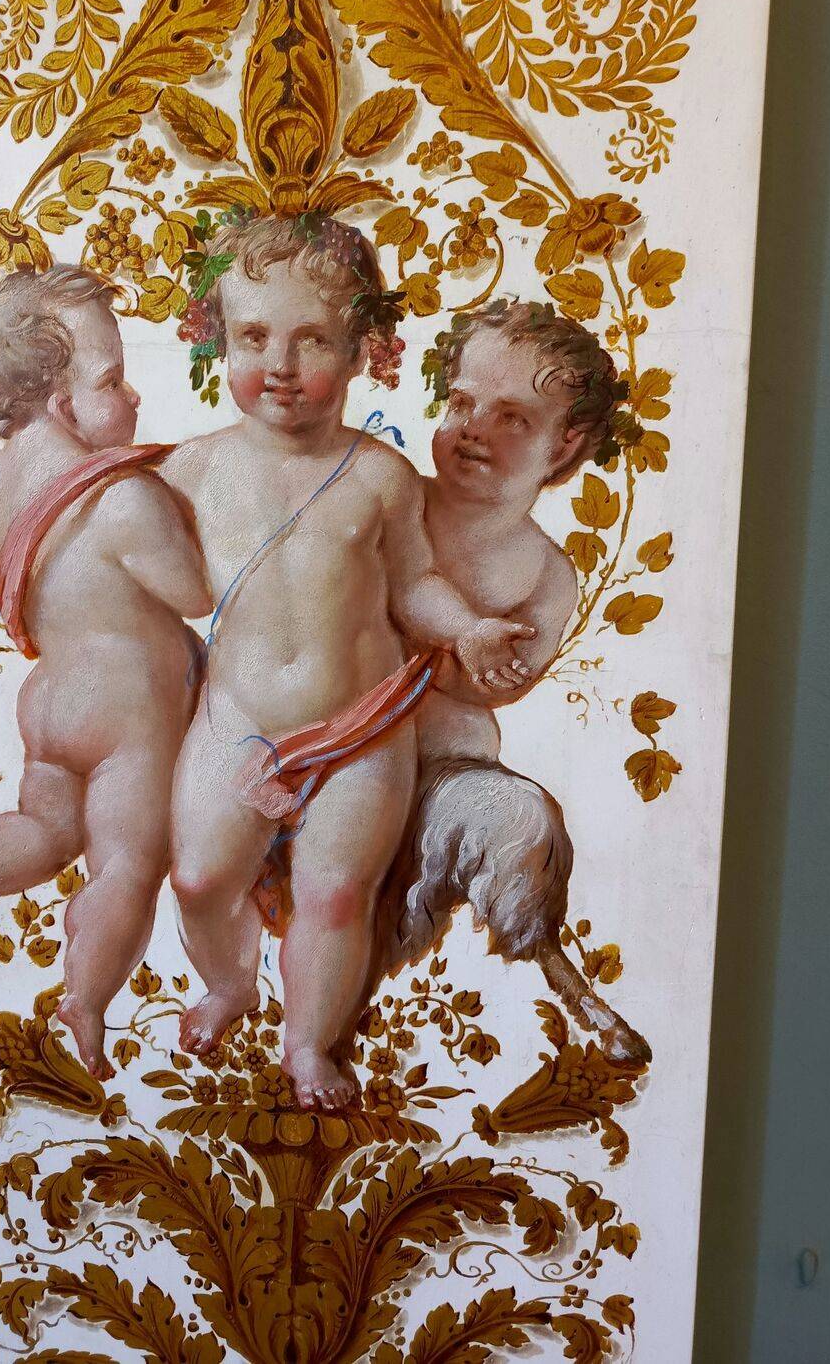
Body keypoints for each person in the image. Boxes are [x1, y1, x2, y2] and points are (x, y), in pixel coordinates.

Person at [159, 215, 532, 1110]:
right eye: (253, 336)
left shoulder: (378, 475)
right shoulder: (190, 471)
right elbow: (146, 578)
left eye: (312, 340)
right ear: (218, 340)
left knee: (335, 894)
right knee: (199, 877)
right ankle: (229, 984)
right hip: (237, 720)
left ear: (363, 350)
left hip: (361, 726)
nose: (280, 365)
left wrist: (467, 630)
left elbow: (414, 584)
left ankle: (307, 1045)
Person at [0, 264, 211, 1078]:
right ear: (61, 405)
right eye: (113, 381)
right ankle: (85, 995)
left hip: (48, 702)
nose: (134, 396)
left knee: (47, 827)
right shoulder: (123, 498)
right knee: (125, 863)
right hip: (127, 708)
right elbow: (195, 592)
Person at [374, 300, 651, 1063]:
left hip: (439, 771)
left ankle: (559, 976)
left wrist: (432, 642)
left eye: (511, 419)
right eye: (461, 404)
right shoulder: (391, 497)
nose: (474, 429)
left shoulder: (545, 572)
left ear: (565, 444)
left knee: (521, 819)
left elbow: (493, 685)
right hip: (326, 746)